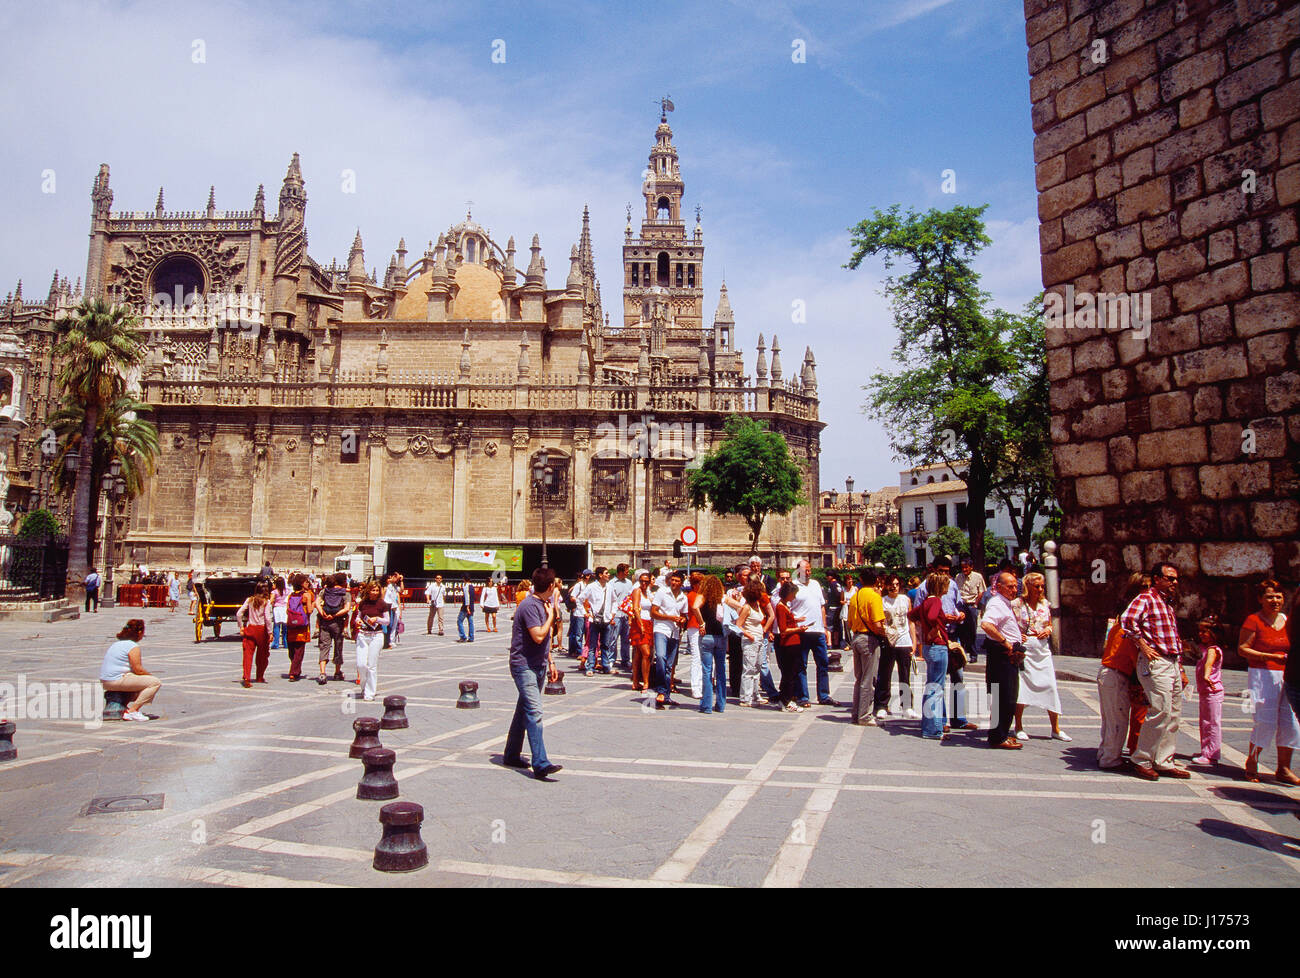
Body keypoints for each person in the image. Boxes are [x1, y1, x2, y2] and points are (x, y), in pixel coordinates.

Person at [1120, 562, 1191, 781]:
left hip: (1171, 661)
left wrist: (1180, 668)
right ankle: (1141, 759)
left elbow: (1173, 638)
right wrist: (1142, 645)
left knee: (1174, 713)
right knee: (1160, 710)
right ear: (1157, 578)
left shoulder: (1167, 604)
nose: (1174, 583)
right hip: (1156, 662)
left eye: (1176, 579)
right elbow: (1127, 621)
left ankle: (1164, 760)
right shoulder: (1146, 599)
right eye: (1170, 578)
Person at [503, 565, 563, 779]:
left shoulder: (543, 604)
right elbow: (538, 635)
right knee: (535, 712)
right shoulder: (530, 606)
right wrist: (551, 616)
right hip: (524, 666)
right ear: (550, 586)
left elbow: (544, 641)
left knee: (524, 711)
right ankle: (540, 763)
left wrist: (551, 661)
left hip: (538, 664)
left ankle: (511, 754)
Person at [1238, 579, 1300, 784]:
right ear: (1260, 599)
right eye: (1269, 596)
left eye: (1278, 596)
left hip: (1287, 675)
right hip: (1262, 675)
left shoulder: (1287, 619)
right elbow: (1242, 649)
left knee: (1290, 722)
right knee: (1265, 720)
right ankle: (1252, 761)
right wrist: (1269, 656)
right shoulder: (1254, 620)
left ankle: (1283, 768)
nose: (1275, 600)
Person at [1096, 574, 1151, 769]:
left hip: (1109, 672)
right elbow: (1132, 655)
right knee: (1118, 720)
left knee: (1110, 720)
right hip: (1116, 673)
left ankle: (1105, 753)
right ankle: (1110, 760)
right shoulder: (1129, 625)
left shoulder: (1122, 619)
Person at [1012, 572, 1069, 741]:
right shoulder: (1017, 604)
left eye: (1042, 586)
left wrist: (1048, 630)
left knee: (1050, 686)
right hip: (1026, 651)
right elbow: (1010, 623)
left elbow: (1049, 624)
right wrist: (1017, 635)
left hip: (1042, 651)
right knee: (1022, 688)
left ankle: (1056, 728)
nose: (1040, 589)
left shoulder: (1045, 604)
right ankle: (1019, 726)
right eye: (1036, 586)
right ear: (1027, 586)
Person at [909, 570, 957, 741]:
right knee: (937, 688)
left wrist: (926, 629)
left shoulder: (926, 601)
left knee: (931, 686)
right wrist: (935, 628)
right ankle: (933, 729)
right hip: (938, 646)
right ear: (941, 586)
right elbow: (932, 616)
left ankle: (929, 725)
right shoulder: (936, 601)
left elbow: (911, 615)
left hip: (929, 648)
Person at [980, 570, 1024, 749]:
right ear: (999, 587)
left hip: (1007, 655)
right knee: (1004, 697)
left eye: (1016, 586)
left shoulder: (1004, 603)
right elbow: (986, 624)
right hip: (1002, 656)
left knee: (1008, 696)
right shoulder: (997, 603)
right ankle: (998, 737)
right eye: (1010, 586)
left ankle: (1001, 733)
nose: (1014, 589)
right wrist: (1006, 643)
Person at [789, 559, 837, 708]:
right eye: (805, 571)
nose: (808, 573)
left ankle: (824, 695)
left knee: (823, 663)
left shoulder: (816, 584)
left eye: (810, 570)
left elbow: (822, 607)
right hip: (802, 631)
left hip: (818, 631)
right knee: (801, 665)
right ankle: (803, 697)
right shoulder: (792, 586)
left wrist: (824, 627)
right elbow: (787, 608)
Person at [845, 568, 885, 726]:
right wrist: (884, 633)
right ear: (876, 581)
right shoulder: (874, 597)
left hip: (856, 637)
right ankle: (865, 716)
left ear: (861, 580)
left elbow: (849, 622)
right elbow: (877, 623)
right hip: (869, 639)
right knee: (869, 679)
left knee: (859, 678)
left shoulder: (855, 596)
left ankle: (856, 714)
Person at [100, 619, 160, 721]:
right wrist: (150, 676)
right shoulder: (133, 646)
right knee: (154, 683)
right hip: (116, 680)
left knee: (139, 681)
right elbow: (138, 669)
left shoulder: (117, 644)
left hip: (106, 681)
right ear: (140, 632)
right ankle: (133, 711)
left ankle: (120, 706)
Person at [877, 574, 918, 719]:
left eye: (896, 584)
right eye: (891, 584)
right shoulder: (883, 601)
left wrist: (914, 642)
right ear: (886, 586)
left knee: (905, 675)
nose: (894, 587)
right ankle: (882, 705)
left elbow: (911, 622)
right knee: (885, 674)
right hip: (889, 641)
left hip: (904, 641)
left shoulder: (905, 600)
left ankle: (906, 706)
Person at [650, 571, 689, 709]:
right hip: (661, 628)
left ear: (682, 583)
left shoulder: (683, 598)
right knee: (660, 656)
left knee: (669, 665)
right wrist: (670, 618)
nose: (673, 583)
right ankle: (660, 691)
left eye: (677, 581)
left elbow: (684, 615)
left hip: (675, 632)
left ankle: (665, 695)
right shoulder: (662, 592)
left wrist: (682, 620)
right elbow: (653, 612)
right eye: (672, 580)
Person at [1189, 616, 1224, 767]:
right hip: (1205, 691)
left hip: (1213, 691)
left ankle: (1212, 754)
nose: (1201, 634)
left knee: (1212, 722)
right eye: (1200, 631)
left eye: (1205, 631)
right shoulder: (1203, 648)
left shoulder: (1212, 649)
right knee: (1205, 722)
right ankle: (1206, 751)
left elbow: (1209, 664)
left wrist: (1206, 675)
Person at [735, 579, 772, 707]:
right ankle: (745, 697)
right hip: (750, 640)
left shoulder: (757, 606)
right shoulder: (747, 607)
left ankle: (755, 695)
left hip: (759, 639)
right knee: (749, 669)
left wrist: (764, 631)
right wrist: (749, 635)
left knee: (757, 668)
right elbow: (738, 625)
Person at [773, 581, 809, 712]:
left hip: (793, 643)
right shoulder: (781, 607)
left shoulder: (785, 606)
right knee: (790, 673)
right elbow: (783, 629)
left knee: (790, 673)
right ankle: (786, 700)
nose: (794, 597)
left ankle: (784, 699)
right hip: (788, 643)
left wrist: (796, 621)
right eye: (793, 594)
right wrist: (799, 629)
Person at [697, 574, 727, 714]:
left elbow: (694, 606)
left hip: (707, 635)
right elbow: (739, 606)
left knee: (707, 671)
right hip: (720, 636)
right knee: (721, 671)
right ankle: (720, 704)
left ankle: (706, 705)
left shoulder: (703, 596)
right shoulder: (723, 598)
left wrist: (701, 622)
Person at [236, 581, 273, 687]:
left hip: (251, 628)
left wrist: (241, 627)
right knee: (262, 655)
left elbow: (239, 614)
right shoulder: (266, 602)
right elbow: (267, 618)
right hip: (261, 630)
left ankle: (246, 677)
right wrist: (270, 632)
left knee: (247, 655)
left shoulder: (249, 600)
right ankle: (260, 676)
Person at [316, 572, 351, 684]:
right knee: (338, 646)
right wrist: (335, 615)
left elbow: (316, 603)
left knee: (324, 646)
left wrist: (322, 613)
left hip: (324, 622)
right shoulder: (345, 593)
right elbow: (347, 609)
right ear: (344, 582)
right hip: (338, 622)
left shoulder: (324, 591)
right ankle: (337, 672)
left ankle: (322, 673)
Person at [285, 573, 316, 681]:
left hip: (291, 625)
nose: (308, 583)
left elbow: (287, 610)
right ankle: (294, 672)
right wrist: (315, 603)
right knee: (299, 649)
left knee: (292, 649)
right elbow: (310, 610)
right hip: (302, 625)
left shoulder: (291, 595)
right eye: (306, 582)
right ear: (301, 584)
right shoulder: (306, 595)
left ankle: (295, 668)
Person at [628, 570, 655, 691]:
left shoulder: (648, 593)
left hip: (648, 623)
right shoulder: (637, 591)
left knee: (639, 654)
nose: (644, 583)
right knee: (646, 653)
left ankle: (635, 681)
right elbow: (635, 609)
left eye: (646, 581)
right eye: (642, 581)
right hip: (639, 623)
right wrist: (640, 624)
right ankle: (645, 681)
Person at [955, 558, 986, 663]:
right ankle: (962, 653)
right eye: (962, 567)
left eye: (966, 567)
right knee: (961, 630)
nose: (964, 570)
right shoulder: (958, 577)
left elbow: (981, 592)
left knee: (972, 631)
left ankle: (973, 654)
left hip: (972, 604)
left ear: (971, 567)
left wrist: (976, 604)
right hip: (961, 605)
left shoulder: (978, 577)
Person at [606, 564, 635, 672]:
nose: (628, 573)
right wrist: (611, 616)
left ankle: (625, 660)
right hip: (616, 614)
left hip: (626, 615)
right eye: (627, 571)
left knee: (626, 639)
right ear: (621, 572)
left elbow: (630, 598)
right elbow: (609, 600)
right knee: (613, 638)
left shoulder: (629, 583)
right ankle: (611, 659)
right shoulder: (611, 584)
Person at [582, 567, 610, 675]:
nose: (608, 575)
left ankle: (606, 666)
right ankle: (590, 667)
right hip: (594, 620)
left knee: (605, 645)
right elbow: (580, 599)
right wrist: (585, 612)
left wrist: (612, 613)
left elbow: (614, 601)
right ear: (600, 575)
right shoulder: (591, 587)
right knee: (592, 645)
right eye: (606, 573)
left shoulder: (609, 587)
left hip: (606, 620)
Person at [825, 571, 845, 652]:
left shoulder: (832, 584)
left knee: (829, 626)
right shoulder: (838, 584)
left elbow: (837, 595)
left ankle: (829, 643)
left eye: (827, 576)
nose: (826, 578)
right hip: (838, 608)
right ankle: (836, 643)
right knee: (836, 626)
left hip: (832, 607)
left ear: (831, 576)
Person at [270, 576, 288, 652]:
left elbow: (271, 601)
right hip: (285, 608)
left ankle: (276, 643)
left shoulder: (274, 592)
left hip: (277, 609)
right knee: (285, 627)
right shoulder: (287, 591)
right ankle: (286, 642)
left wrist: (273, 603)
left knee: (276, 627)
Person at [383, 574, 402, 649]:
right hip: (386, 606)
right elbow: (382, 598)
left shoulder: (393, 586)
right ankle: (386, 643)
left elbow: (401, 590)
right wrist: (397, 576)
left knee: (391, 625)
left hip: (391, 606)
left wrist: (401, 580)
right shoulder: (385, 587)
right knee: (386, 625)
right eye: (389, 578)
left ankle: (389, 642)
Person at [457, 576, 477, 643]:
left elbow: (467, 597)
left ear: (464, 579)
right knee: (470, 622)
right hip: (472, 606)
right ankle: (471, 637)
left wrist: (467, 606)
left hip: (466, 607)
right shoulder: (472, 586)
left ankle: (463, 636)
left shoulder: (466, 587)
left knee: (459, 621)